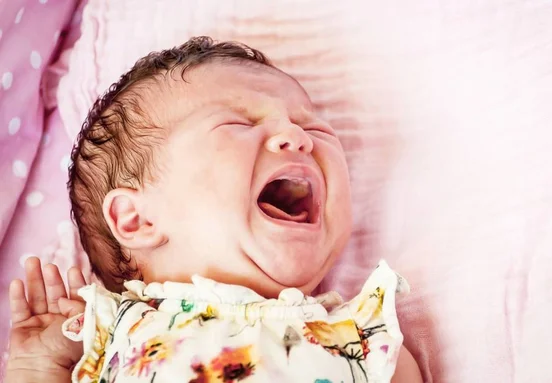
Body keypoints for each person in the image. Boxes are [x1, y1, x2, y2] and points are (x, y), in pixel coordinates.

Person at [6, 36, 422, 382]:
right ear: (138, 219)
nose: (297, 136)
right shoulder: (111, 336)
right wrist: (38, 367)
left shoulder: (364, 340)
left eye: (313, 126)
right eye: (238, 124)